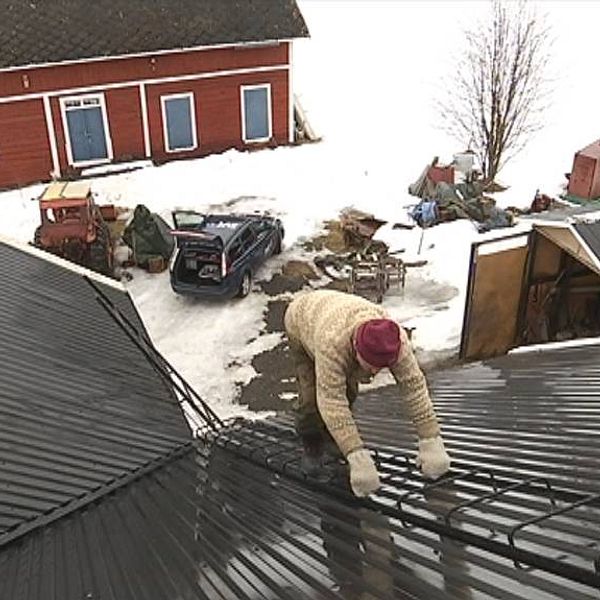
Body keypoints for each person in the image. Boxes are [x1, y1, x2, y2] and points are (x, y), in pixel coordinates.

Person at [284, 289, 450, 497]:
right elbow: (332, 401)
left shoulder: (395, 340)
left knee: (349, 392)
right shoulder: (331, 342)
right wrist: (356, 455)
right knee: (311, 399)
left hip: (335, 313)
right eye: (370, 366)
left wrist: (431, 439)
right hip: (301, 321)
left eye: (381, 367)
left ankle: (334, 439)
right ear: (355, 347)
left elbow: (414, 387)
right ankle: (312, 445)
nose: (374, 373)